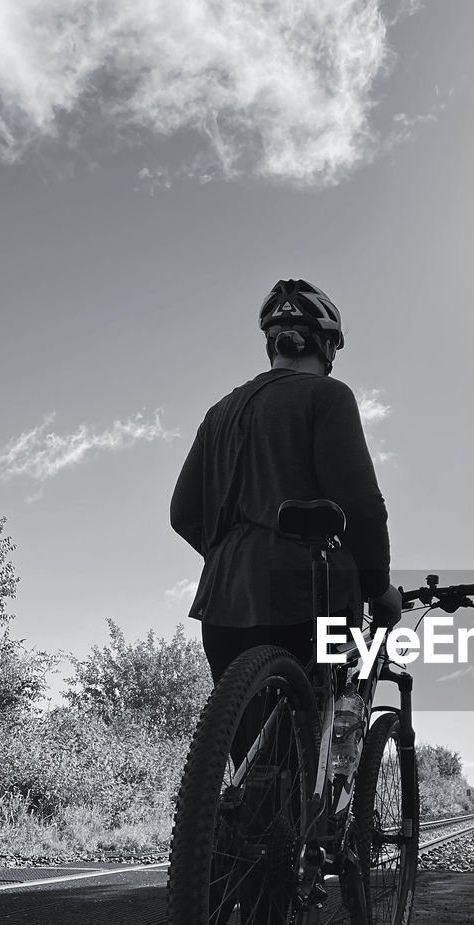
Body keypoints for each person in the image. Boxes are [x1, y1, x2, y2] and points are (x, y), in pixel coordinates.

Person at [170, 278, 402, 683]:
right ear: (327, 347)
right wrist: (380, 589)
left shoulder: (218, 413)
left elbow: (182, 514)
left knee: (248, 742)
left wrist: (230, 553)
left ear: (271, 345)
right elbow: (361, 504)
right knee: (324, 727)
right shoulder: (328, 395)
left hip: (224, 599)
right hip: (309, 595)